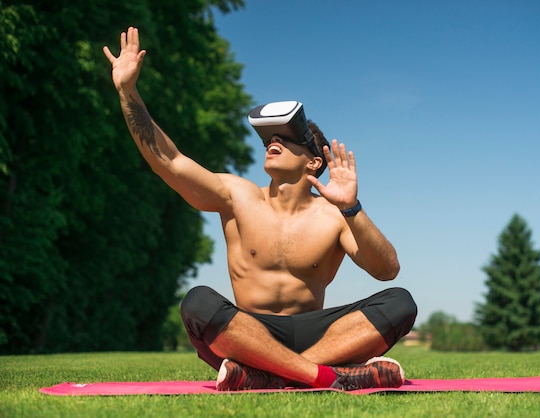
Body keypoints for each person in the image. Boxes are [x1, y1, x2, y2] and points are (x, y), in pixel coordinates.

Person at [103, 27, 417, 391]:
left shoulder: (334, 216)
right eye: (270, 138)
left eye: (286, 138)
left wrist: (352, 208)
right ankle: (324, 377)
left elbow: (387, 270)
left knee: (401, 304)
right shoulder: (236, 196)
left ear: (314, 163)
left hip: (316, 335)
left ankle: (268, 374)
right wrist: (128, 91)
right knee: (197, 302)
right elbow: (169, 162)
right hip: (248, 330)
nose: (274, 143)